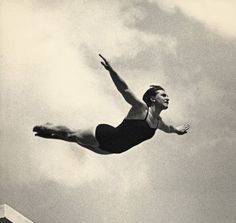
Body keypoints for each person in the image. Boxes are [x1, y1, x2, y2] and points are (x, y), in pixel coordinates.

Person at [33, 54, 190, 155]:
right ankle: (51, 127)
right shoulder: (141, 109)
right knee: (72, 135)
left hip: (109, 150)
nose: (167, 98)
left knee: (74, 139)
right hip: (104, 135)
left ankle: (52, 135)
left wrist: (177, 130)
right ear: (153, 99)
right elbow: (125, 90)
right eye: (163, 95)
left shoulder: (158, 123)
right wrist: (111, 70)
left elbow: (169, 129)